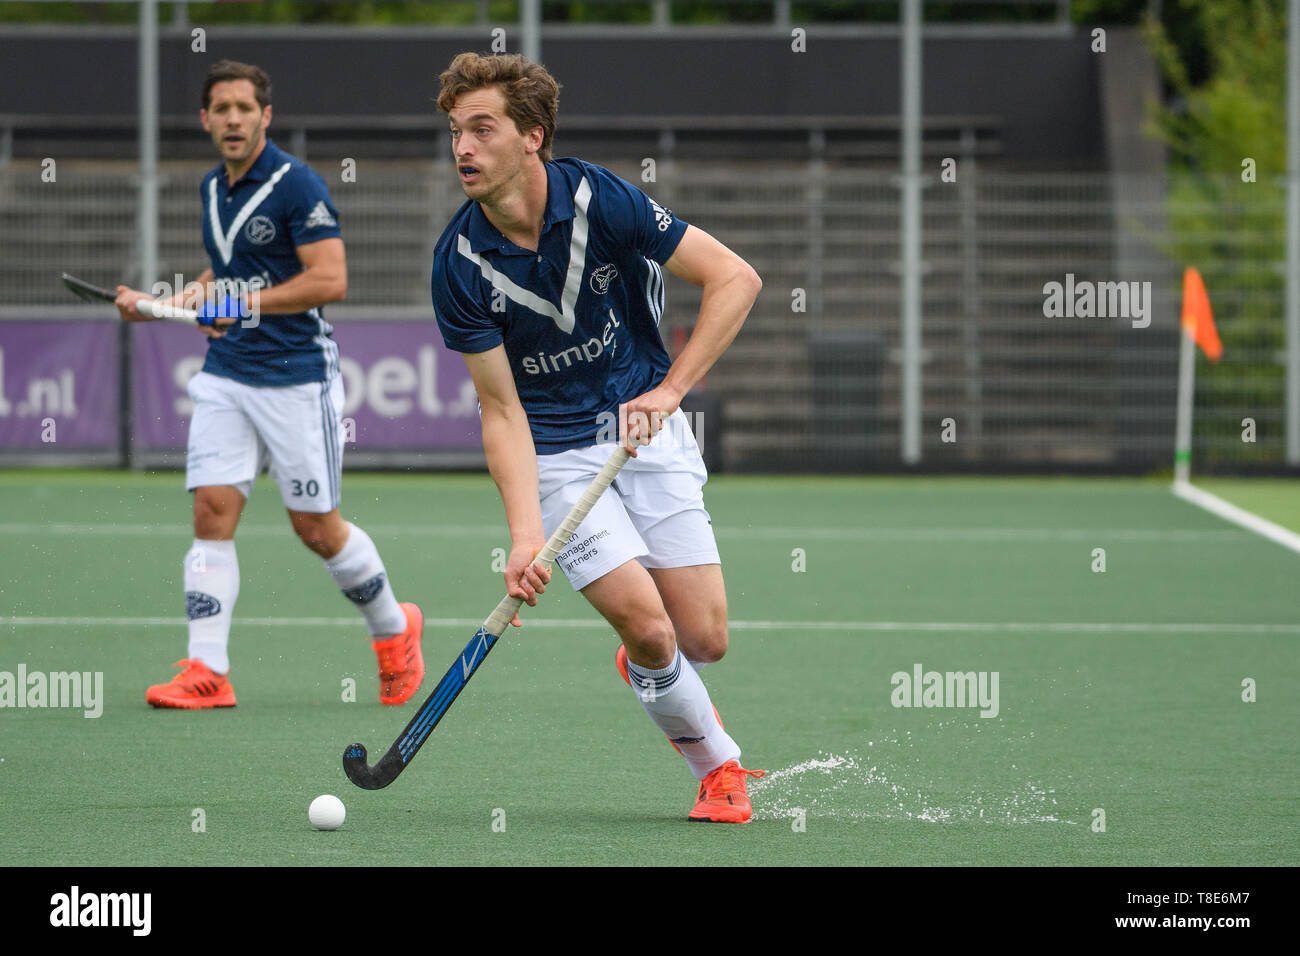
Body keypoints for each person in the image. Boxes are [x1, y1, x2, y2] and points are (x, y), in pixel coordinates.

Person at [430, 53, 764, 822]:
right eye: (456, 132)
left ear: (532, 137)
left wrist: (670, 389)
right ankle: (719, 769)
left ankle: (651, 664)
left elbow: (734, 278)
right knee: (650, 629)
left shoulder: (599, 199)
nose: (463, 149)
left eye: (483, 129)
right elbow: (501, 411)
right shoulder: (459, 266)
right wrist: (522, 539)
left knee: (702, 639)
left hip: (647, 427)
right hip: (554, 455)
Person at [114, 59, 424, 709]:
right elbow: (225, 270)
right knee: (211, 513)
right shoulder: (211, 188)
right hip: (227, 377)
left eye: (244, 108)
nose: (232, 119)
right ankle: (208, 670)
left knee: (316, 527)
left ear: (265, 117)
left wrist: (245, 304)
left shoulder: (298, 185)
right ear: (205, 120)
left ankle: (395, 631)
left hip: (295, 381)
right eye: (220, 109)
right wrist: (163, 300)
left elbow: (329, 279)